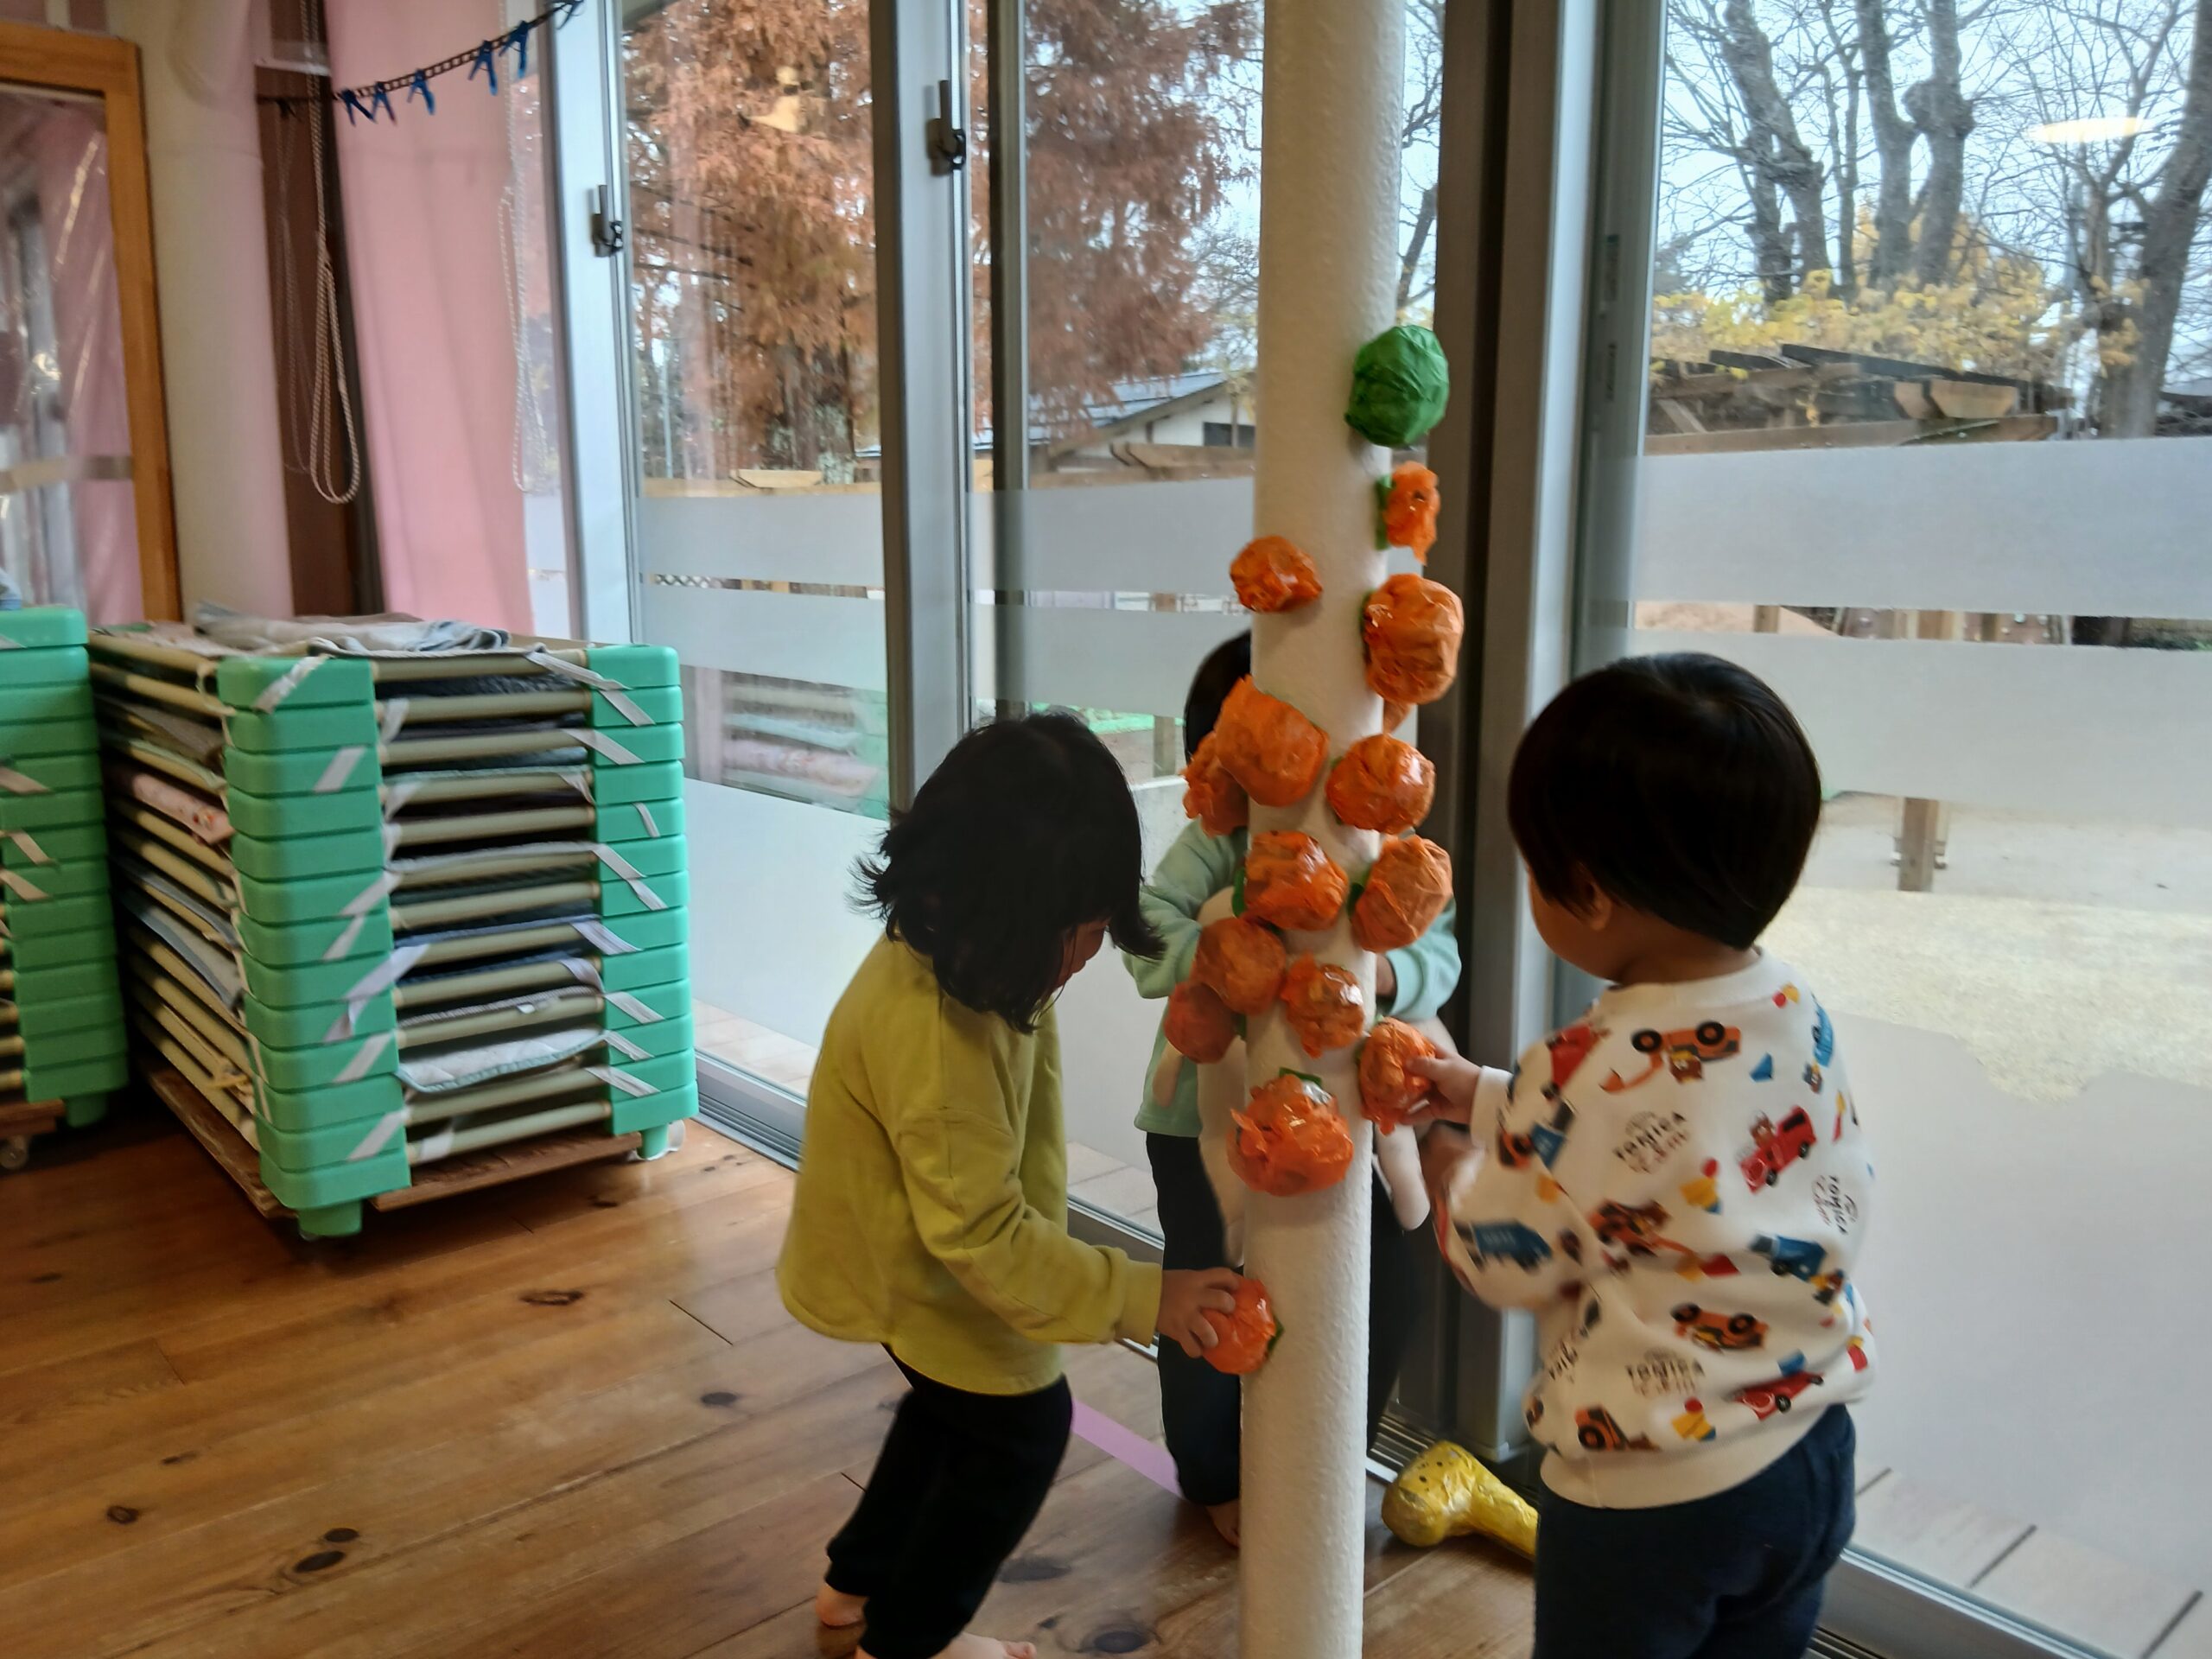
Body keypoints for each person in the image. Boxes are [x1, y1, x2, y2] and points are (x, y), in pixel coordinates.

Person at [1411, 652, 1876, 1659]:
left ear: (1586, 893)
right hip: (1806, 1452)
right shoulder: (1789, 1006)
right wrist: (1485, 1096)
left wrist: (1450, 1158)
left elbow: (1501, 1253)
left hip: (1651, 1493)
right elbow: (1678, 1151)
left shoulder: (1588, 1065)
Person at [779, 713, 1246, 1659]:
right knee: (1022, 1431)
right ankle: (907, 1642)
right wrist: (1146, 1297)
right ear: (1015, 919)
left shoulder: (957, 948)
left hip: (901, 1254)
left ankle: (856, 1579)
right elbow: (984, 1236)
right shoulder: (942, 1040)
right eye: (1083, 934)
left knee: (948, 1415)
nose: (1088, 956)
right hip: (928, 1272)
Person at [1127, 632, 1463, 1548]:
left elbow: (1439, 951)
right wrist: (1224, 952)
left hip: (1351, 1117)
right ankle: (1214, 1471)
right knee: (1210, 1294)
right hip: (1201, 1118)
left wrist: (1382, 972)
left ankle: (1330, 1457)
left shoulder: (1379, 842)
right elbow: (1146, 924)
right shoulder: (1216, 842)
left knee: (1384, 1287)